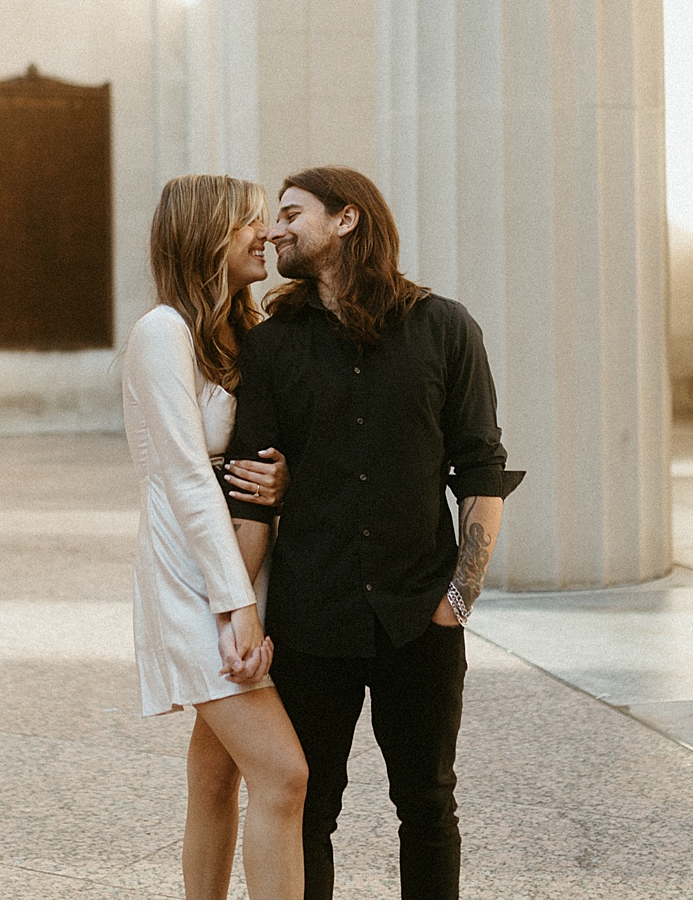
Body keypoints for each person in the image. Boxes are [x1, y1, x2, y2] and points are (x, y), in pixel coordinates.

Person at [224, 165, 523, 900]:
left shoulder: (445, 327)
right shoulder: (272, 347)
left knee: (426, 805)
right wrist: (241, 609)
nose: (275, 229)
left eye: (292, 212)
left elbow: (482, 468)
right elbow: (254, 499)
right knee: (308, 809)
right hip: (311, 616)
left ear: (347, 219)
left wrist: (460, 596)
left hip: (419, 617)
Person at [123, 173, 309, 900]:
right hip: (188, 570)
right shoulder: (161, 331)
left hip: (246, 558)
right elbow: (187, 478)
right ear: (205, 234)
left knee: (215, 771)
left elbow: (264, 447)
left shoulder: (248, 330)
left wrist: (284, 478)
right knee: (284, 773)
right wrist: (238, 606)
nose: (265, 234)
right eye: (249, 222)